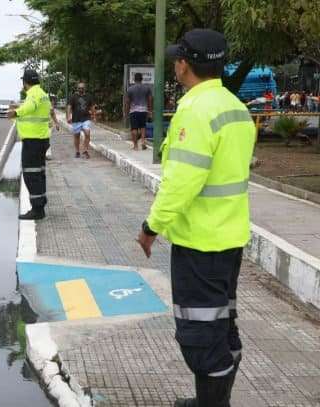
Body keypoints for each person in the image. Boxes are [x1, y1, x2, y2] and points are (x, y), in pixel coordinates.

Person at [136, 29, 255, 407]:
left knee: (200, 335)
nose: (175, 63)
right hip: (229, 239)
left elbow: (181, 183)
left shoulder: (195, 110)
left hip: (200, 245)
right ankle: (211, 402)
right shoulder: (236, 107)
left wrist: (151, 228)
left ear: (185, 64)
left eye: (177, 58)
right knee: (221, 326)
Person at [9, 69, 60, 220]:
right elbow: (44, 111)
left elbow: (29, 107)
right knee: (39, 173)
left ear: (25, 82)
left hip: (33, 141)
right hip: (41, 139)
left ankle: (37, 209)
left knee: (31, 174)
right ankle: (40, 204)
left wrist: (16, 112)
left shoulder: (33, 94)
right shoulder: (43, 94)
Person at [66, 82, 96, 158]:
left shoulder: (89, 96)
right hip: (76, 119)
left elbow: (92, 107)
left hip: (86, 118)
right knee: (77, 135)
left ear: (84, 88)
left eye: (82, 88)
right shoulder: (73, 97)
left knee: (87, 133)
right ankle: (77, 151)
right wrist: (68, 117)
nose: (81, 89)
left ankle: (85, 150)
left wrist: (94, 115)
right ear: (77, 88)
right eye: (79, 88)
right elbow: (69, 107)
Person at [125, 72, 153, 150]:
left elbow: (127, 101)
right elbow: (150, 99)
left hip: (133, 111)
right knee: (143, 126)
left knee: (134, 128)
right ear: (142, 79)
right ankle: (143, 142)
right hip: (144, 110)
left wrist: (126, 112)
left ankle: (135, 146)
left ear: (134, 79)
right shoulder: (147, 88)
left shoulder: (130, 89)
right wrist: (150, 110)